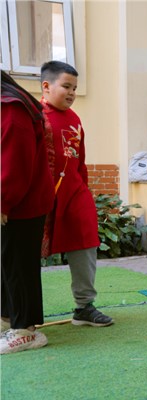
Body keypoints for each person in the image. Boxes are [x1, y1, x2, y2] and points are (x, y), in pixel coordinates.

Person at [40, 61, 113, 326]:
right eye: (66, 86)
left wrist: (83, 190)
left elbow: (80, 161)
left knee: (85, 242)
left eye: (75, 88)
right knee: (23, 254)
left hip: (74, 194)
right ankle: (16, 313)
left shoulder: (75, 119)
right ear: (46, 86)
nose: (72, 93)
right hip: (39, 197)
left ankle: (84, 307)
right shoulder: (34, 116)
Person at [0, 71, 55, 354]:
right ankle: (9, 319)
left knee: (18, 266)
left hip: (21, 203)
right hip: (17, 200)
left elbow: (14, 163)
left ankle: (25, 330)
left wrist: (3, 202)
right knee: (7, 263)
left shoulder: (11, 108)